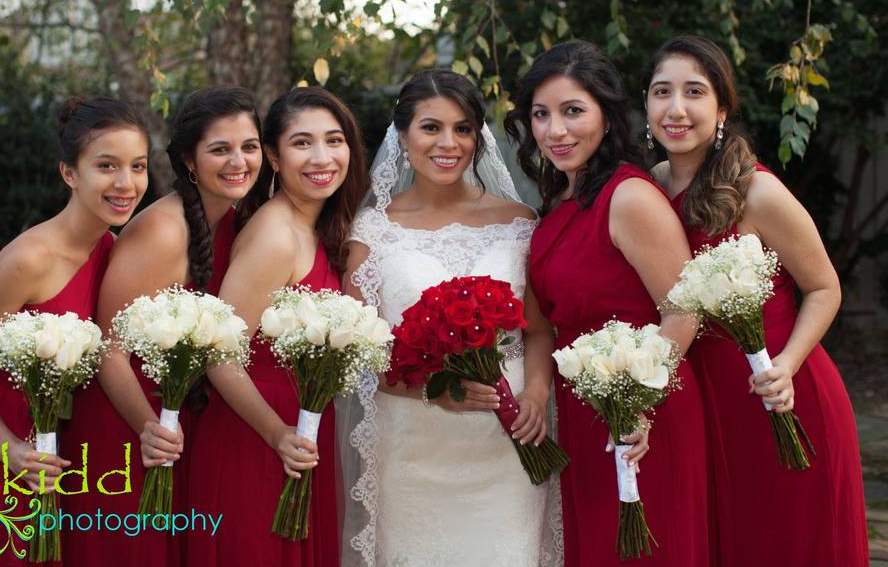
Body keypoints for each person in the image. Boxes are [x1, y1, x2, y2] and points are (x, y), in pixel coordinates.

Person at [644, 35, 868, 567]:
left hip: (780, 393)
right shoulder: (646, 191)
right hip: (705, 403)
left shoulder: (757, 192)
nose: (676, 109)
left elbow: (824, 287)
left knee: (790, 542)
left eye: (694, 92)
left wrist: (787, 366)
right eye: (661, 92)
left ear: (721, 108)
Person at [340, 68, 563, 567]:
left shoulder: (519, 222)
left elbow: (540, 327)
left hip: (508, 443)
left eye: (463, 129)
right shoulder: (371, 232)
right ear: (402, 135)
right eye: (431, 127)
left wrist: (536, 392)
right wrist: (432, 389)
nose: (449, 143)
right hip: (414, 447)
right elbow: (360, 353)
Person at [0, 96, 149, 566]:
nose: (126, 183)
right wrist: (5, 446)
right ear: (69, 173)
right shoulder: (30, 258)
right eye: (106, 166)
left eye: (138, 166)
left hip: (50, 453)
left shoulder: (113, 250)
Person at [512, 41, 709, 566]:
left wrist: (638, 406)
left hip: (646, 412)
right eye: (541, 114)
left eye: (573, 111)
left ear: (605, 114)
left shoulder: (629, 198)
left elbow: (683, 311)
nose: (555, 130)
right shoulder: (557, 202)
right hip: (583, 410)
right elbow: (545, 324)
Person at [62, 86, 262, 566]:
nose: (238, 161)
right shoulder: (163, 229)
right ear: (190, 161)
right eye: (220, 149)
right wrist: (148, 427)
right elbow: (109, 348)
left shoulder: (234, 221)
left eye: (249, 147)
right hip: (125, 426)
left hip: (177, 422)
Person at [186, 86, 367, 566]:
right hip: (257, 435)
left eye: (334, 140)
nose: (322, 157)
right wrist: (276, 434)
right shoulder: (274, 234)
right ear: (273, 155)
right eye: (302, 143)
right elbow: (221, 354)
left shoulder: (320, 225)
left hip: (301, 432)